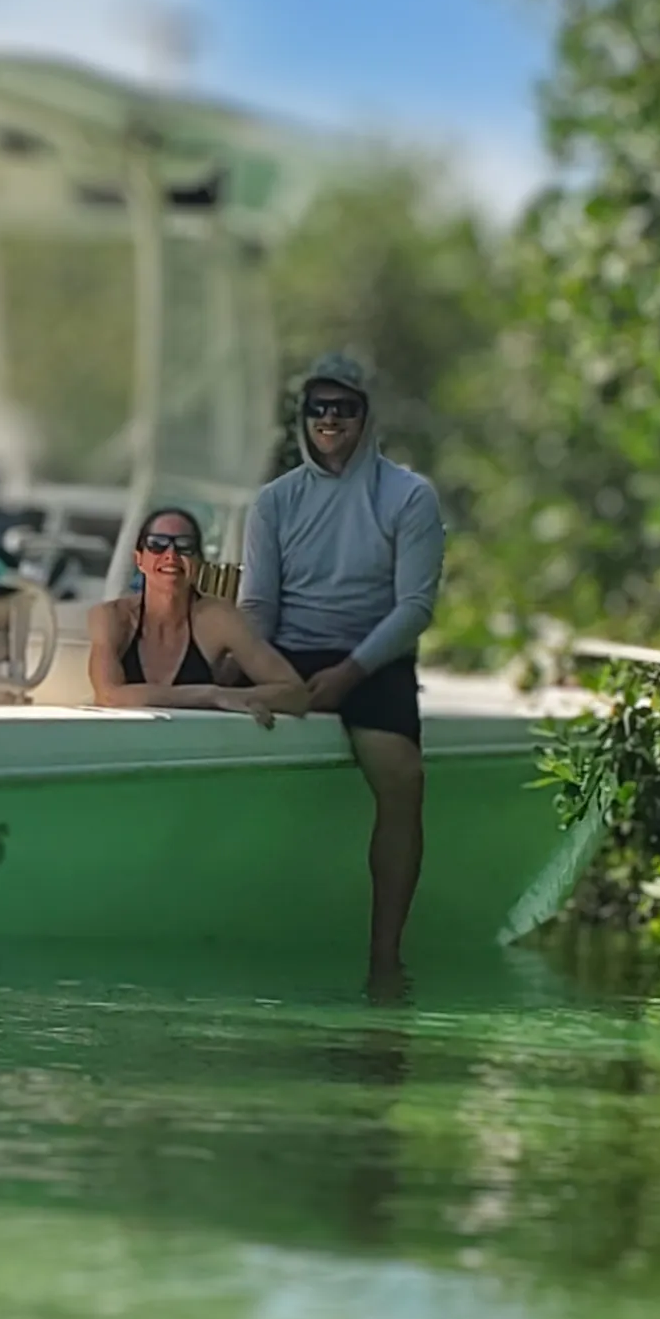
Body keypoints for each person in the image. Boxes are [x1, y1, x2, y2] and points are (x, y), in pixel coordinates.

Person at [237, 353, 446, 979]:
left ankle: (385, 954)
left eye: (344, 409)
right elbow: (257, 603)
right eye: (318, 408)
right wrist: (262, 670)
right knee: (232, 724)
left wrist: (350, 674)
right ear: (302, 417)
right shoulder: (274, 502)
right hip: (290, 652)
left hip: (373, 658)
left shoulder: (409, 496)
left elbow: (415, 607)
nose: (330, 420)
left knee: (403, 778)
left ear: (366, 416)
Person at [87, 507, 310, 724]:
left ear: (198, 561)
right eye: (157, 545)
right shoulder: (112, 617)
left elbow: (295, 694)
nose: (171, 555)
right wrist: (211, 696)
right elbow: (109, 696)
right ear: (139, 559)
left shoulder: (219, 618)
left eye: (184, 546)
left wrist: (238, 698)